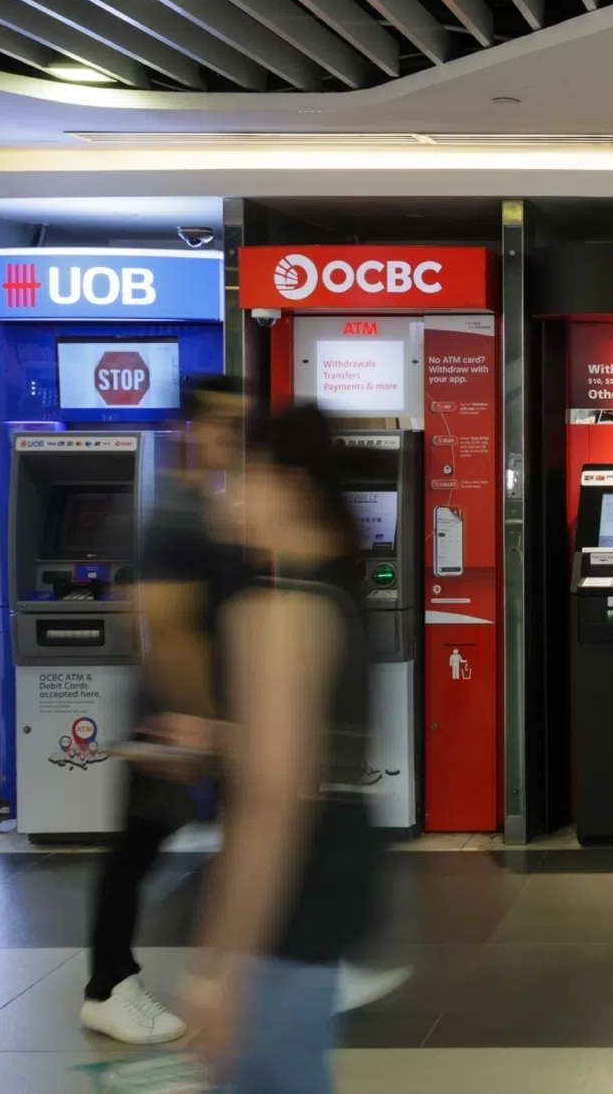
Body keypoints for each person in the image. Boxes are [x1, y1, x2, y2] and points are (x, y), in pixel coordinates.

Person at [183, 403, 379, 1093]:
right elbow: (309, 749)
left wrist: (218, 967)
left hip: (287, 896)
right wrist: (224, 737)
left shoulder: (273, 611)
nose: (226, 492)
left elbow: (270, 805)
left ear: (292, 488)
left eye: (242, 476)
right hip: (335, 876)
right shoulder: (331, 594)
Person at [80, 376, 249, 1045]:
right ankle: (108, 987)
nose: (234, 439)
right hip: (176, 722)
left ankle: (294, 957)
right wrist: (198, 722)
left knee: (254, 832)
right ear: (190, 430)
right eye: (225, 425)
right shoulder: (178, 513)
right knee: (136, 851)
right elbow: (164, 627)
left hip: (198, 718)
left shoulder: (205, 507)